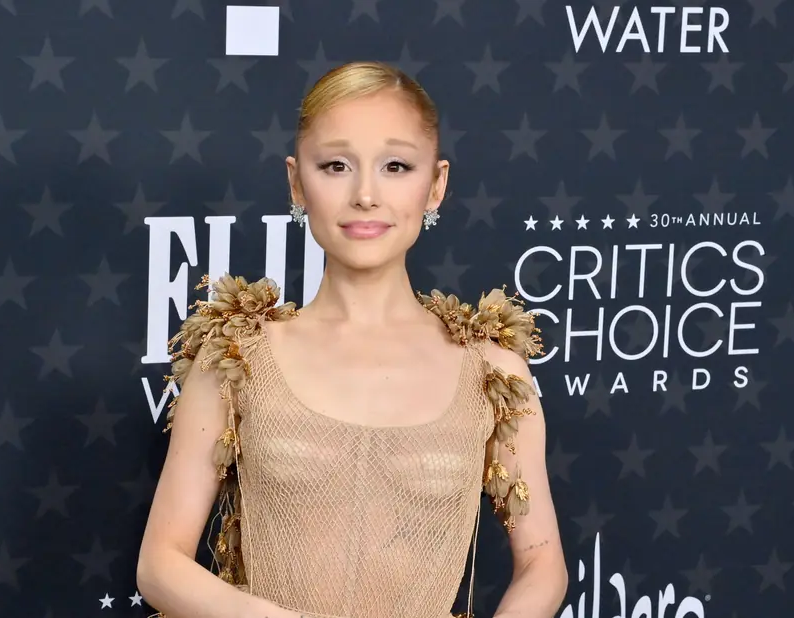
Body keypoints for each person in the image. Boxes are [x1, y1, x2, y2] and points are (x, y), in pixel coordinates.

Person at [136, 61, 568, 618]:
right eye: (336, 165)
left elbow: (541, 561)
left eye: (396, 166)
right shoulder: (238, 354)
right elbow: (160, 563)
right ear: (297, 181)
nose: (366, 195)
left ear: (435, 185)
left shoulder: (492, 368)